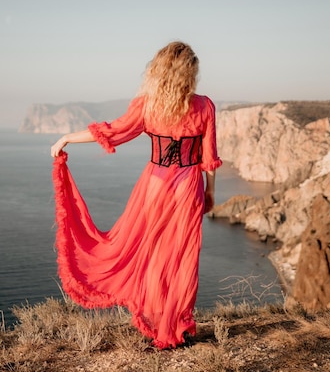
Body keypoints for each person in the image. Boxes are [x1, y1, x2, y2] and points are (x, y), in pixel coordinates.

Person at [50, 41, 222, 349]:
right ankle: (173, 325)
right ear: (190, 74)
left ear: (159, 70)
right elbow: (208, 158)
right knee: (181, 257)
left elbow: (112, 131)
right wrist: (210, 193)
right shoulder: (205, 105)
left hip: (154, 186)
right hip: (188, 187)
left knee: (153, 254)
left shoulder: (147, 105)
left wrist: (67, 138)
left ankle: (159, 322)